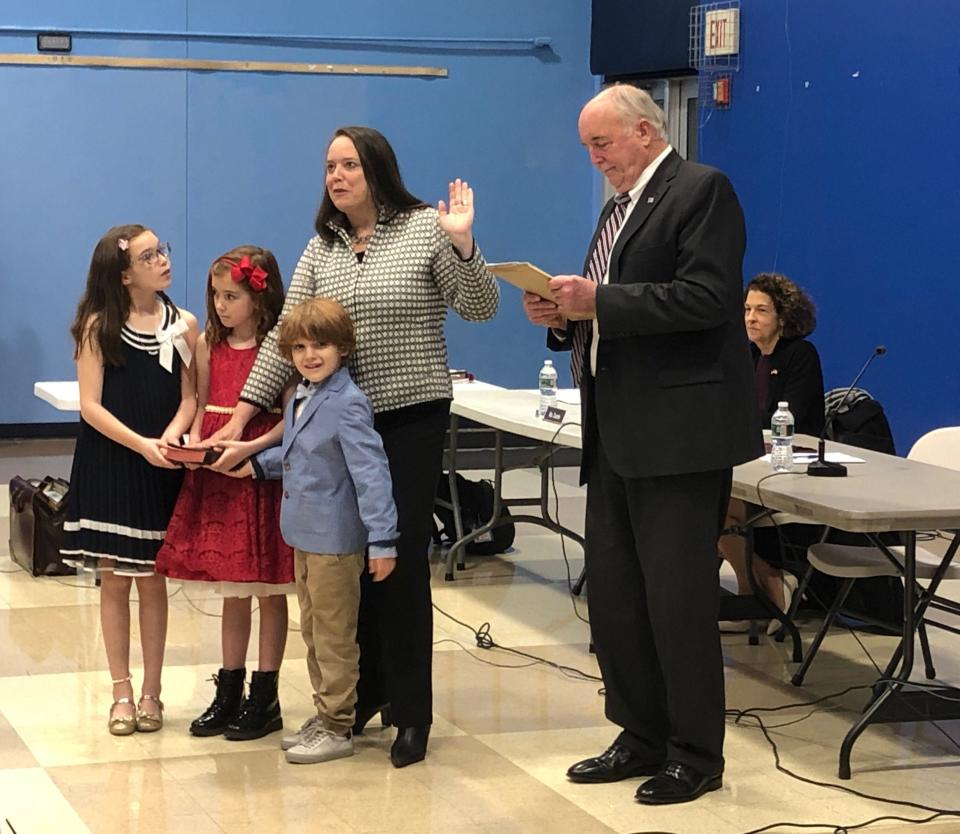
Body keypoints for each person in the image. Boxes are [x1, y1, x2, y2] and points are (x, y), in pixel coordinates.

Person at [206, 125, 499, 767]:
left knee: (394, 566)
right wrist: (242, 419)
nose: (336, 176)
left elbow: (479, 307)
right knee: (344, 567)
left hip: (408, 418)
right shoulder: (324, 246)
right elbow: (288, 332)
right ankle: (365, 694)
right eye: (329, 166)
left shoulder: (424, 227)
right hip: (336, 420)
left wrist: (465, 243)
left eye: (348, 165)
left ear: (377, 169)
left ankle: (412, 714)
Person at [522, 85, 762, 805]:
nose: (596, 160)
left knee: (678, 600)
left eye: (603, 145)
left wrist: (600, 302)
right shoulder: (616, 212)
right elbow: (609, 305)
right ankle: (638, 732)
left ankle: (695, 752)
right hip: (618, 432)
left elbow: (707, 298)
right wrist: (562, 317)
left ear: (646, 131)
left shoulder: (701, 191)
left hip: (680, 437)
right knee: (619, 598)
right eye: (587, 149)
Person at [226, 297, 398, 765]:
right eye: (299, 346)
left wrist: (383, 540)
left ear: (343, 347)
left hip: (337, 541)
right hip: (304, 534)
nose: (309, 354)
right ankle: (326, 713)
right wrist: (256, 466)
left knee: (334, 635)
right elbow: (300, 455)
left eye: (320, 344)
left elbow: (372, 475)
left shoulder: (348, 403)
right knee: (315, 632)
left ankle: (339, 724)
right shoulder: (304, 395)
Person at [60, 225, 198, 736]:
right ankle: (120, 690)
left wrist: (170, 438)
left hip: (158, 463)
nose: (162, 260)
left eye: (163, 250)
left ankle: (152, 693)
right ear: (123, 274)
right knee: (114, 579)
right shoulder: (98, 326)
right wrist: (141, 444)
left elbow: (190, 396)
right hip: (112, 461)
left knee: (154, 580)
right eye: (149, 255)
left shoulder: (183, 324)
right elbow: (90, 406)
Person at [155, 246, 296, 740]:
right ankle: (229, 688)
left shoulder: (280, 351)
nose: (220, 305)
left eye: (231, 296)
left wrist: (248, 449)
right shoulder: (206, 347)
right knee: (234, 592)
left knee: (268, 592)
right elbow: (195, 404)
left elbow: (288, 423)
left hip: (257, 477)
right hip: (216, 475)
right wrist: (188, 440)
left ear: (260, 297)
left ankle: (266, 694)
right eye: (215, 295)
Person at [719, 273, 825, 616]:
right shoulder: (749, 355)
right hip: (751, 461)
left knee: (717, 504)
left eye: (761, 310)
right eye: (747, 309)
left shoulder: (800, 355)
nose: (750, 317)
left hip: (792, 469)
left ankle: (754, 594)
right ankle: (765, 582)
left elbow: (790, 420)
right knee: (707, 499)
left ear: (783, 316)